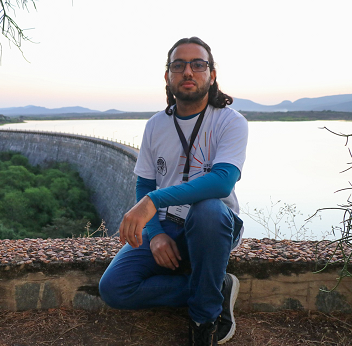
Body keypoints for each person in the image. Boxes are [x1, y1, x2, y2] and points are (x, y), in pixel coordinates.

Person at [99, 37, 248, 346]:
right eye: (178, 66)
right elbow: (145, 182)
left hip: (213, 226)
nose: (188, 72)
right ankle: (214, 286)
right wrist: (154, 234)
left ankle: (204, 316)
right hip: (166, 225)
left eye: (198, 64)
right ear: (167, 76)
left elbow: (222, 183)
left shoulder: (231, 122)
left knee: (207, 209)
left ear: (212, 75)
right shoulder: (156, 125)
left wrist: (153, 202)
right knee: (114, 288)